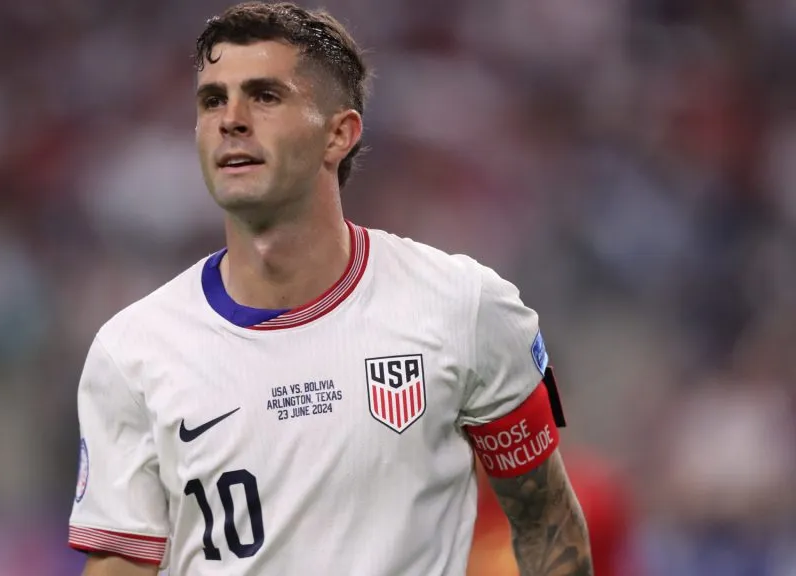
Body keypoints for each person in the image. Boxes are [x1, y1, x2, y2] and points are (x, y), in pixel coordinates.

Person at [68, 2, 593, 575]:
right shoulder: (132, 352)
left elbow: (547, 525)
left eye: (265, 96)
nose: (231, 119)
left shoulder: (463, 307)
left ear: (338, 135)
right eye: (212, 99)